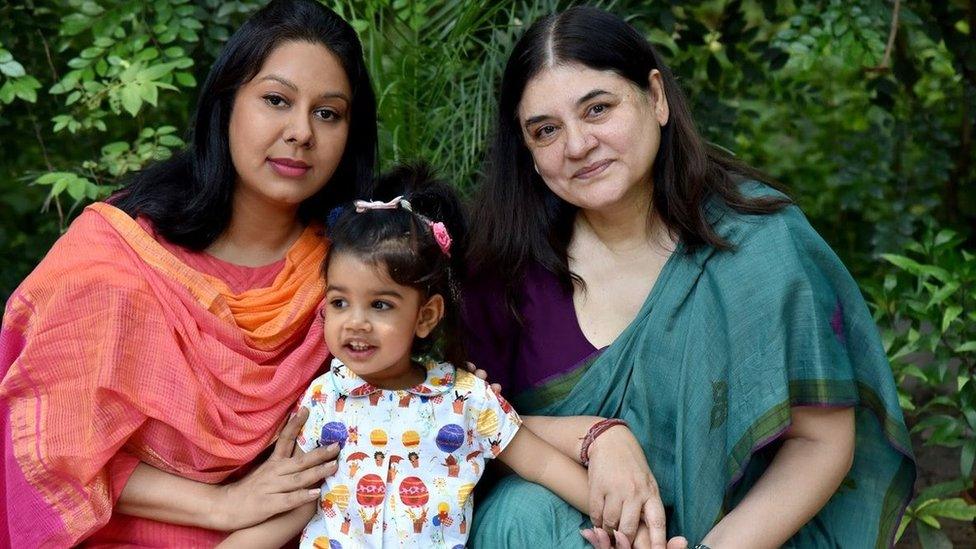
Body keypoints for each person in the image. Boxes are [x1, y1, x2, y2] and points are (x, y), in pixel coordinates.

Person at [462, 6, 915, 549]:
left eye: (598, 109)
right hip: (568, 533)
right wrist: (598, 440)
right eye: (546, 130)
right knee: (521, 514)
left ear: (656, 98)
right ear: (530, 153)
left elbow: (822, 442)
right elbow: (460, 421)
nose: (578, 145)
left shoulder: (759, 247)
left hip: (741, 539)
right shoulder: (505, 272)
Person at [0, 0, 377, 545]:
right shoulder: (115, 258)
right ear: (226, 104)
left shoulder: (354, 269)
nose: (301, 132)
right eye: (276, 100)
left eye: (328, 113)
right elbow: (50, 444)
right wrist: (220, 504)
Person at [218, 165, 592, 548]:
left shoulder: (468, 399)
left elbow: (543, 464)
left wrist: (622, 521)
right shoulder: (323, 399)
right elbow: (296, 506)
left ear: (426, 316)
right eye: (340, 302)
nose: (355, 322)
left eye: (380, 304)